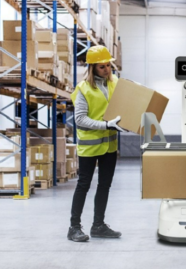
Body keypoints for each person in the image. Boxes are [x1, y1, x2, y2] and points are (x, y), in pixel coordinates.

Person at [67, 45, 126, 242]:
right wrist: (107, 124)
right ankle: (74, 228)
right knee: (83, 185)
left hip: (109, 146)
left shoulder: (115, 83)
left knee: (105, 185)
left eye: (109, 65)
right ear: (92, 68)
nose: (107, 70)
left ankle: (98, 225)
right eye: (102, 67)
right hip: (90, 146)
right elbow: (80, 119)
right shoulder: (83, 89)